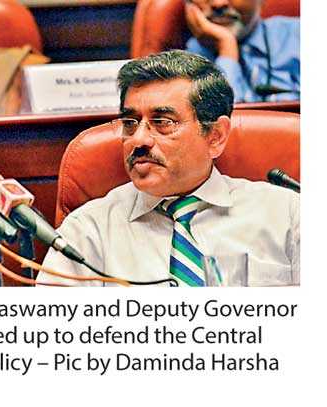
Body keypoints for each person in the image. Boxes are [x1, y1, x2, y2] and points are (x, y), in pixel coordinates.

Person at [37, 50, 299, 287]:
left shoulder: (288, 214)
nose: (139, 139)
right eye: (130, 123)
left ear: (215, 136)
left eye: (163, 122)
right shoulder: (88, 230)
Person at [184, 0, 299, 103]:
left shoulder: (299, 35)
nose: (219, 3)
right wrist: (226, 46)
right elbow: (218, 115)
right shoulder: (188, 58)